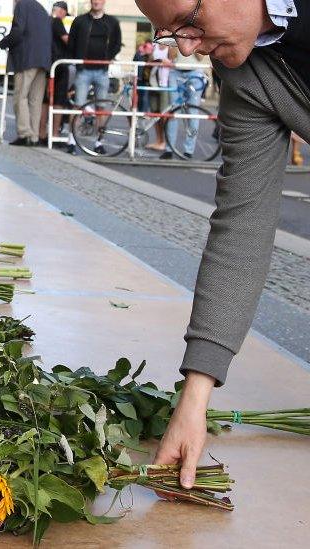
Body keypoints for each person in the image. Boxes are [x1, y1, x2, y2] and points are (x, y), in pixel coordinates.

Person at [133, 0, 309, 491]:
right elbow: (242, 226)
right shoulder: (247, 72)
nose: (187, 48)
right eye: (169, 34)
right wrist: (194, 400)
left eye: (188, 23)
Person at [0, 0, 52, 146]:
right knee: (35, 100)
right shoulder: (41, 9)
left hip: (26, 58)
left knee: (21, 97)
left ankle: (24, 134)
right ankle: (34, 136)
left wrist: (2, 43)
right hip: (43, 60)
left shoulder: (22, 5)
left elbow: (18, 31)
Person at [68, 0, 122, 152]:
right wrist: (76, 61)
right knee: (78, 105)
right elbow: (72, 42)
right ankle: (71, 140)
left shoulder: (112, 22)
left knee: (101, 107)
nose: (96, 1)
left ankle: (99, 142)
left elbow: (117, 43)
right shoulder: (80, 21)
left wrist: (108, 58)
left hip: (102, 71)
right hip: (83, 69)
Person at [160, 49, 206, 159]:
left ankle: (189, 150)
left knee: (192, 113)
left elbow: (200, 57)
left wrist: (191, 40)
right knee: (173, 112)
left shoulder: (198, 33)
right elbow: (171, 56)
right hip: (176, 72)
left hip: (194, 72)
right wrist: (177, 40)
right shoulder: (176, 33)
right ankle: (169, 148)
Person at [39, 1, 71, 144]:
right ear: (61, 11)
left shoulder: (44, 22)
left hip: (46, 64)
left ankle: (41, 133)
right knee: (58, 101)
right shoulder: (57, 21)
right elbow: (66, 40)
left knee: (44, 101)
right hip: (59, 66)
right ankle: (54, 134)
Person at [146, 41, 172, 151]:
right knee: (155, 113)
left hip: (165, 84)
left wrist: (167, 62)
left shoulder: (171, 46)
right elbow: (148, 63)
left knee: (164, 114)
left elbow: (174, 62)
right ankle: (159, 140)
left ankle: (165, 141)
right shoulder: (154, 46)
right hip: (153, 83)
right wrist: (157, 61)